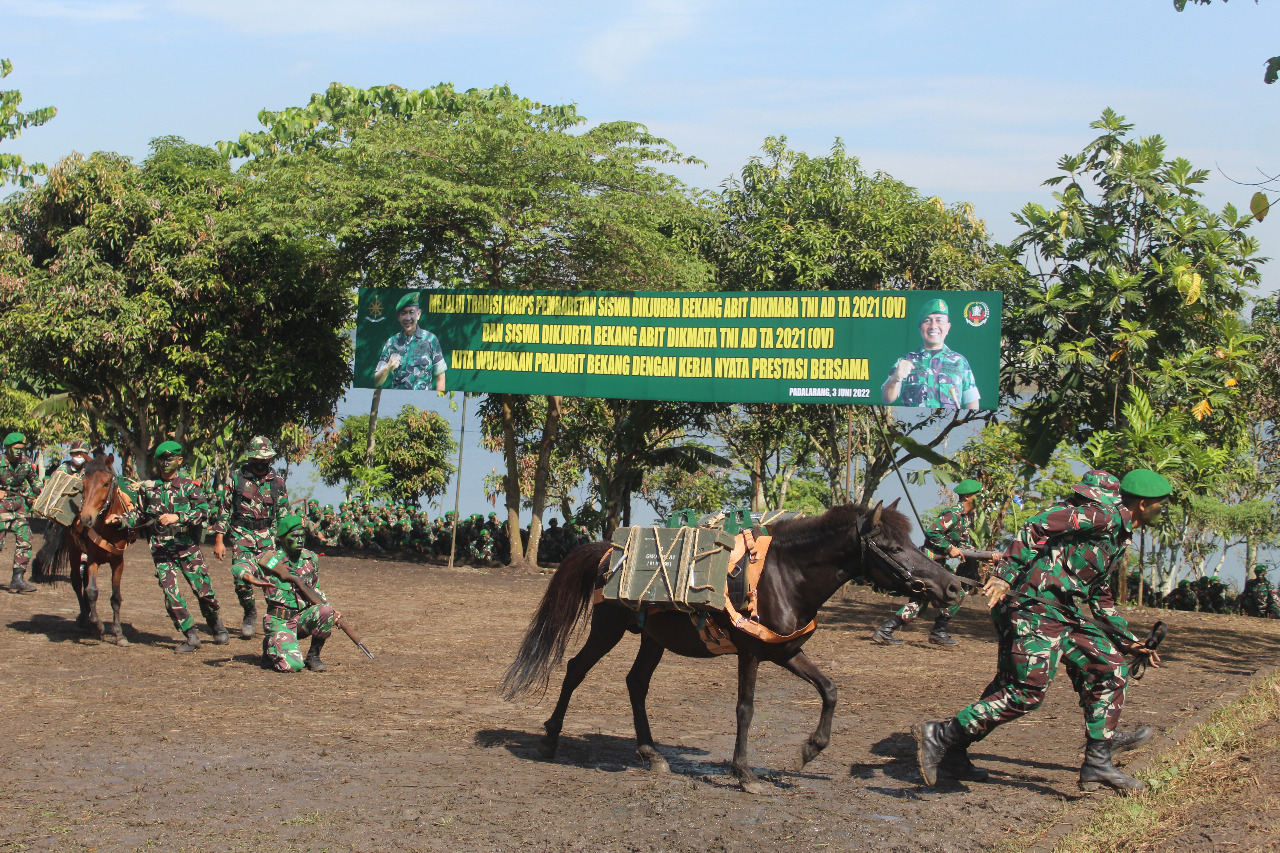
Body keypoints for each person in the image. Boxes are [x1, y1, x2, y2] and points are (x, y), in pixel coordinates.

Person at [913, 468, 1171, 794]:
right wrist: (1005, 575)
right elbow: (1038, 524)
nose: (1162, 512)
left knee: (1110, 668)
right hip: (1032, 607)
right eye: (1161, 506)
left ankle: (1098, 763)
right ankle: (943, 735)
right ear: (1144, 504)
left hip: (1063, 614)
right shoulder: (1101, 516)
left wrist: (1128, 640)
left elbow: (1100, 592)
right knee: (1026, 690)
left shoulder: (1117, 535)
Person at [108, 441, 228, 652]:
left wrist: (177, 517)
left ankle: (215, 623)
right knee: (170, 593)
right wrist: (121, 519)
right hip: (161, 548)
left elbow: (203, 514)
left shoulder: (191, 486)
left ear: (179, 461)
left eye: (169, 459)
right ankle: (190, 635)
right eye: (161, 459)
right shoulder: (148, 488)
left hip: (187, 547)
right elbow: (139, 514)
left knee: (203, 591)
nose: (165, 463)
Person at [873, 478, 985, 646]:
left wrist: (983, 555)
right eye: (977, 495)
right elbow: (932, 532)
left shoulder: (965, 518)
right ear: (968, 496)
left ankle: (886, 630)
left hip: (938, 565)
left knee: (921, 602)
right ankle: (938, 632)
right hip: (930, 563)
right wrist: (949, 549)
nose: (980, 499)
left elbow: (962, 543)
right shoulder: (953, 515)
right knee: (955, 593)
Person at [211, 437, 289, 639]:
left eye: (265, 460)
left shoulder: (277, 482)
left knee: (273, 578)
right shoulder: (235, 479)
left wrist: (286, 542)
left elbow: (283, 514)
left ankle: (273, 619)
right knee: (242, 579)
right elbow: (224, 510)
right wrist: (219, 540)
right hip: (241, 535)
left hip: (267, 539)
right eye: (257, 460)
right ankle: (249, 611)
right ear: (251, 459)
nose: (261, 464)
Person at [245, 515, 338, 673]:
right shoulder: (271, 559)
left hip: (302, 619)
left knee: (327, 610)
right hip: (279, 621)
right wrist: (248, 576)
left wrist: (332, 612)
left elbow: (316, 589)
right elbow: (240, 566)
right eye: (294, 536)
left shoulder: (311, 558)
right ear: (282, 537)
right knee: (293, 666)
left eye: (302, 536)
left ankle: (313, 656)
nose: (300, 540)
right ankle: (271, 645)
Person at [880, 298, 980, 410]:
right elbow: (887, 398)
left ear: (948, 327)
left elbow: (972, 402)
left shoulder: (959, 361)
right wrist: (895, 378)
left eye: (939, 320)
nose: (933, 326)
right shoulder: (906, 360)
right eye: (927, 321)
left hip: (950, 424)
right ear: (920, 327)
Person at [374, 292, 447, 391]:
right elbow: (377, 381)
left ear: (418, 314)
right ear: (399, 316)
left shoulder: (431, 340)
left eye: (411, 312)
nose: (408, 318)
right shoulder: (391, 343)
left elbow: (440, 378)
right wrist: (387, 367)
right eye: (404, 313)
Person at [0, 432, 41, 593]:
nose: (19, 452)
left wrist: (34, 491)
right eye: (16, 449)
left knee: (25, 539)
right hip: (1, 506)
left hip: (18, 506)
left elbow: (35, 481)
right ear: (7, 448)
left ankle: (17, 579)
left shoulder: (26, 462)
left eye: (22, 449)